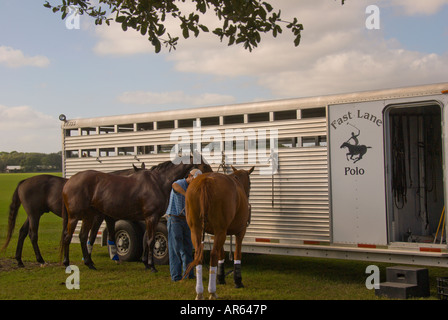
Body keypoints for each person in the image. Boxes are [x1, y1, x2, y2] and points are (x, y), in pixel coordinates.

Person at [166, 168, 202, 281]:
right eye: (194, 179)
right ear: (189, 176)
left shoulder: (194, 187)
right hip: (175, 218)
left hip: (186, 220)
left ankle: (188, 274)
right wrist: (187, 195)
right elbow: (174, 185)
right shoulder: (181, 183)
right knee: (176, 248)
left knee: (187, 247)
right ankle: (176, 276)